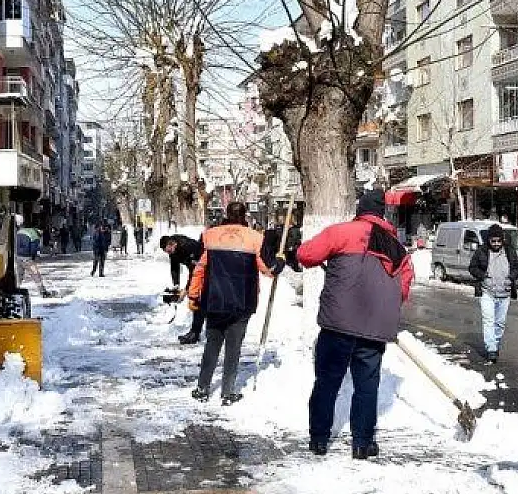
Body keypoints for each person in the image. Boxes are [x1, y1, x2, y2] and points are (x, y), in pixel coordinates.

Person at [296, 189, 414, 459]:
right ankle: (362, 443)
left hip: (338, 324)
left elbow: (306, 255)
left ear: (360, 210)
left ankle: (319, 439)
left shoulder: (341, 232)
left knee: (327, 381)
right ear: (383, 213)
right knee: (366, 385)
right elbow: (403, 288)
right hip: (375, 329)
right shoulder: (396, 247)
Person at [188, 202, 283, 405]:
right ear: (244, 216)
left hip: (214, 300)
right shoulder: (255, 238)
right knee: (233, 347)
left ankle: (202, 387)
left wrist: (194, 295)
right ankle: (228, 391)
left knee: (212, 344)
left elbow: (199, 268)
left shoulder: (209, 235)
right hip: (242, 301)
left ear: (226, 214)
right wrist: (279, 263)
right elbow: (267, 269)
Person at [468, 224, 518, 364]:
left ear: (502, 239)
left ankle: (495, 343)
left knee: (500, 323)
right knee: (488, 321)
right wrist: (483, 275)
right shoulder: (481, 251)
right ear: (489, 240)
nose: (496, 244)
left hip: (504, 293)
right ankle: (491, 349)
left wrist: (511, 277)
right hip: (487, 292)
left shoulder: (509, 251)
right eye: (493, 241)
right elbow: (472, 267)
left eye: (499, 241)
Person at [161, 234, 206, 344]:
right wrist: (176, 285)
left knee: (197, 300)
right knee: (196, 302)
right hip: (196, 271)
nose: (169, 254)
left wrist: (185, 291)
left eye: (169, 251)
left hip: (206, 268)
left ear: (173, 244)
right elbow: (174, 267)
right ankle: (195, 332)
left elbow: (194, 271)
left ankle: (196, 333)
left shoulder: (188, 246)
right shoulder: (173, 250)